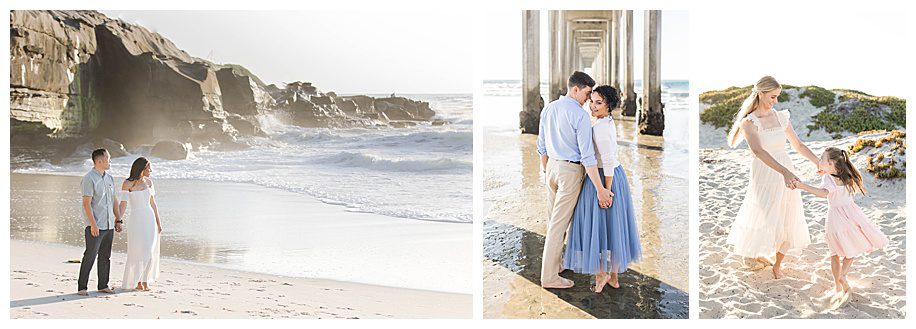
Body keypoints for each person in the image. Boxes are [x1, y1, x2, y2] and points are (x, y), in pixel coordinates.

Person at [725, 76, 816, 279]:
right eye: (772, 96)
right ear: (761, 93)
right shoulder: (749, 122)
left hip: (786, 168)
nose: (775, 101)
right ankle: (751, 253)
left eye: (777, 97)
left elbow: (798, 145)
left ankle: (774, 259)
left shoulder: (781, 117)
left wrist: (817, 162)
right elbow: (757, 151)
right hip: (765, 171)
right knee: (765, 211)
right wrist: (784, 172)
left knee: (786, 214)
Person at [536, 71, 612, 289]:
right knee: (558, 226)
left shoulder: (548, 108)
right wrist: (600, 189)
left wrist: (547, 170)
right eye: (587, 94)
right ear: (575, 89)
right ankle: (549, 277)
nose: (589, 100)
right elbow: (587, 156)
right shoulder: (579, 115)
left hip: (551, 167)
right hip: (569, 171)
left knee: (554, 222)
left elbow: (541, 144)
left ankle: (557, 265)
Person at [563, 85, 641, 293]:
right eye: (592, 101)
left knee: (593, 226)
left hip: (604, 178)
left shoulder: (600, 128)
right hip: (614, 176)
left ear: (609, 106)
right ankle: (613, 277)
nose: (593, 106)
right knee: (613, 228)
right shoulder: (604, 122)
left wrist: (604, 191)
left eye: (599, 103)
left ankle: (601, 273)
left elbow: (606, 160)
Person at [793, 147, 888, 301]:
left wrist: (802, 186)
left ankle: (837, 286)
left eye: (822, 160)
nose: (819, 161)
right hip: (852, 216)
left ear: (831, 163)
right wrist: (824, 170)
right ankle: (843, 275)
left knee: (834, 254)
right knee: (851, 250)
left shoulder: (828, 178)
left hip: (835, 218)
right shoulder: (847, 175)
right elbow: (834, 181)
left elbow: (824, 194)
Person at [77, 148, 121, 296]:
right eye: (108, 158)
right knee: (90, 255)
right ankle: (82, 287)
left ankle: (103, 285)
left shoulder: (110, 178)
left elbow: (114, 200)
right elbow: (86, 204)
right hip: (96, 225)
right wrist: (93, 225)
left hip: (109, 225)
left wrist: (118, 218)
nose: (110, 161)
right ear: (99, 161)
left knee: (105, 257)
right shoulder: (89, 178)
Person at [118, 157, 163, 291]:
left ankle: (145, 280)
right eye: (149, 168)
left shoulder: (149, 182)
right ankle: (137, 281)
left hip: (149, 219)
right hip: (136, 219)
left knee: (149, 250)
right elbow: (123, 204)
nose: (151, 170)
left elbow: (153, 203)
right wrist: (118, 219)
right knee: (137, 250)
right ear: (142, 169)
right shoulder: (127, 183)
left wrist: (158, 222)